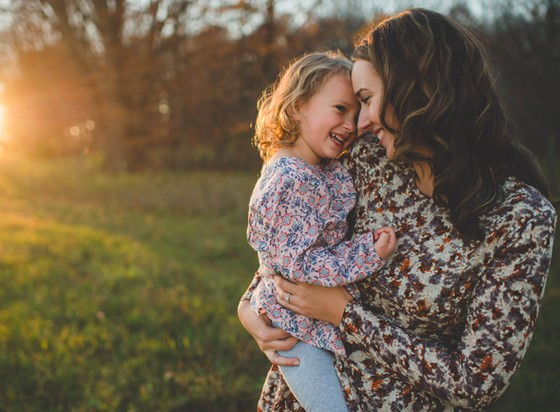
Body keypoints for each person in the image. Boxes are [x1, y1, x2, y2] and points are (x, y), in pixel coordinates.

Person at [238, 8, 557, 411]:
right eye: (353, 105)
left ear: (420, 91)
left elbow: (474, 382)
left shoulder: (520, 218)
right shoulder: (366, 161)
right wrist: (249, 307)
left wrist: (345, 315)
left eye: (367, 101)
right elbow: (295, 246)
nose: (361, 123)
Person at [247, 51, 397, 412]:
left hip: (306, 319)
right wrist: (367, 254)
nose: (352, 123)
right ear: (298, 106)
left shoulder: (317, 167)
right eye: (340, 109)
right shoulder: (290, 180)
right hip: (294, 328)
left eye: (356, 111)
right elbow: (299, 266)